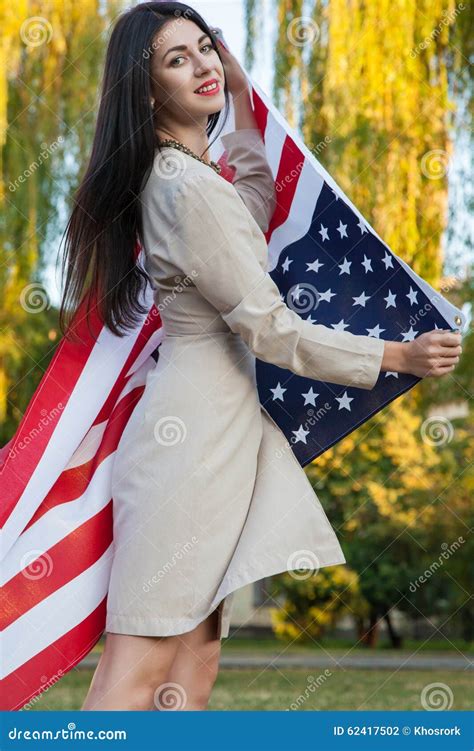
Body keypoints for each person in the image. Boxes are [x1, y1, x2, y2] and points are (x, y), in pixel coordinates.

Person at [58, 2, 462, 711]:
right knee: (140, 671)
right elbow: (270, 329)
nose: (203, 64)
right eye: (176, 59)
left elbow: (249, 199)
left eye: (204, 46)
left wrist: (243, 100)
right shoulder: (183, 186)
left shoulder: (189, 176)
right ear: (147, 89)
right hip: (190, 449)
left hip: (219, 436)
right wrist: (396, 351)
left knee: (191, 668)